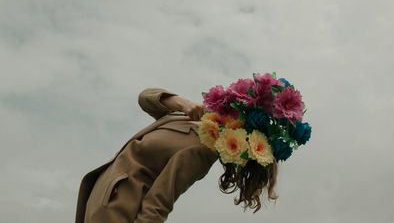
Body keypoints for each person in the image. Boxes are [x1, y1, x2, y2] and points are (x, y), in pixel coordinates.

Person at [75, 87, 278, 223]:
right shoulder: (185, 116)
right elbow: (145, 98)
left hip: (117, 212)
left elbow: (159, 204)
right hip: (99, 199)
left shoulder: (205, 147)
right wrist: (182, 103)